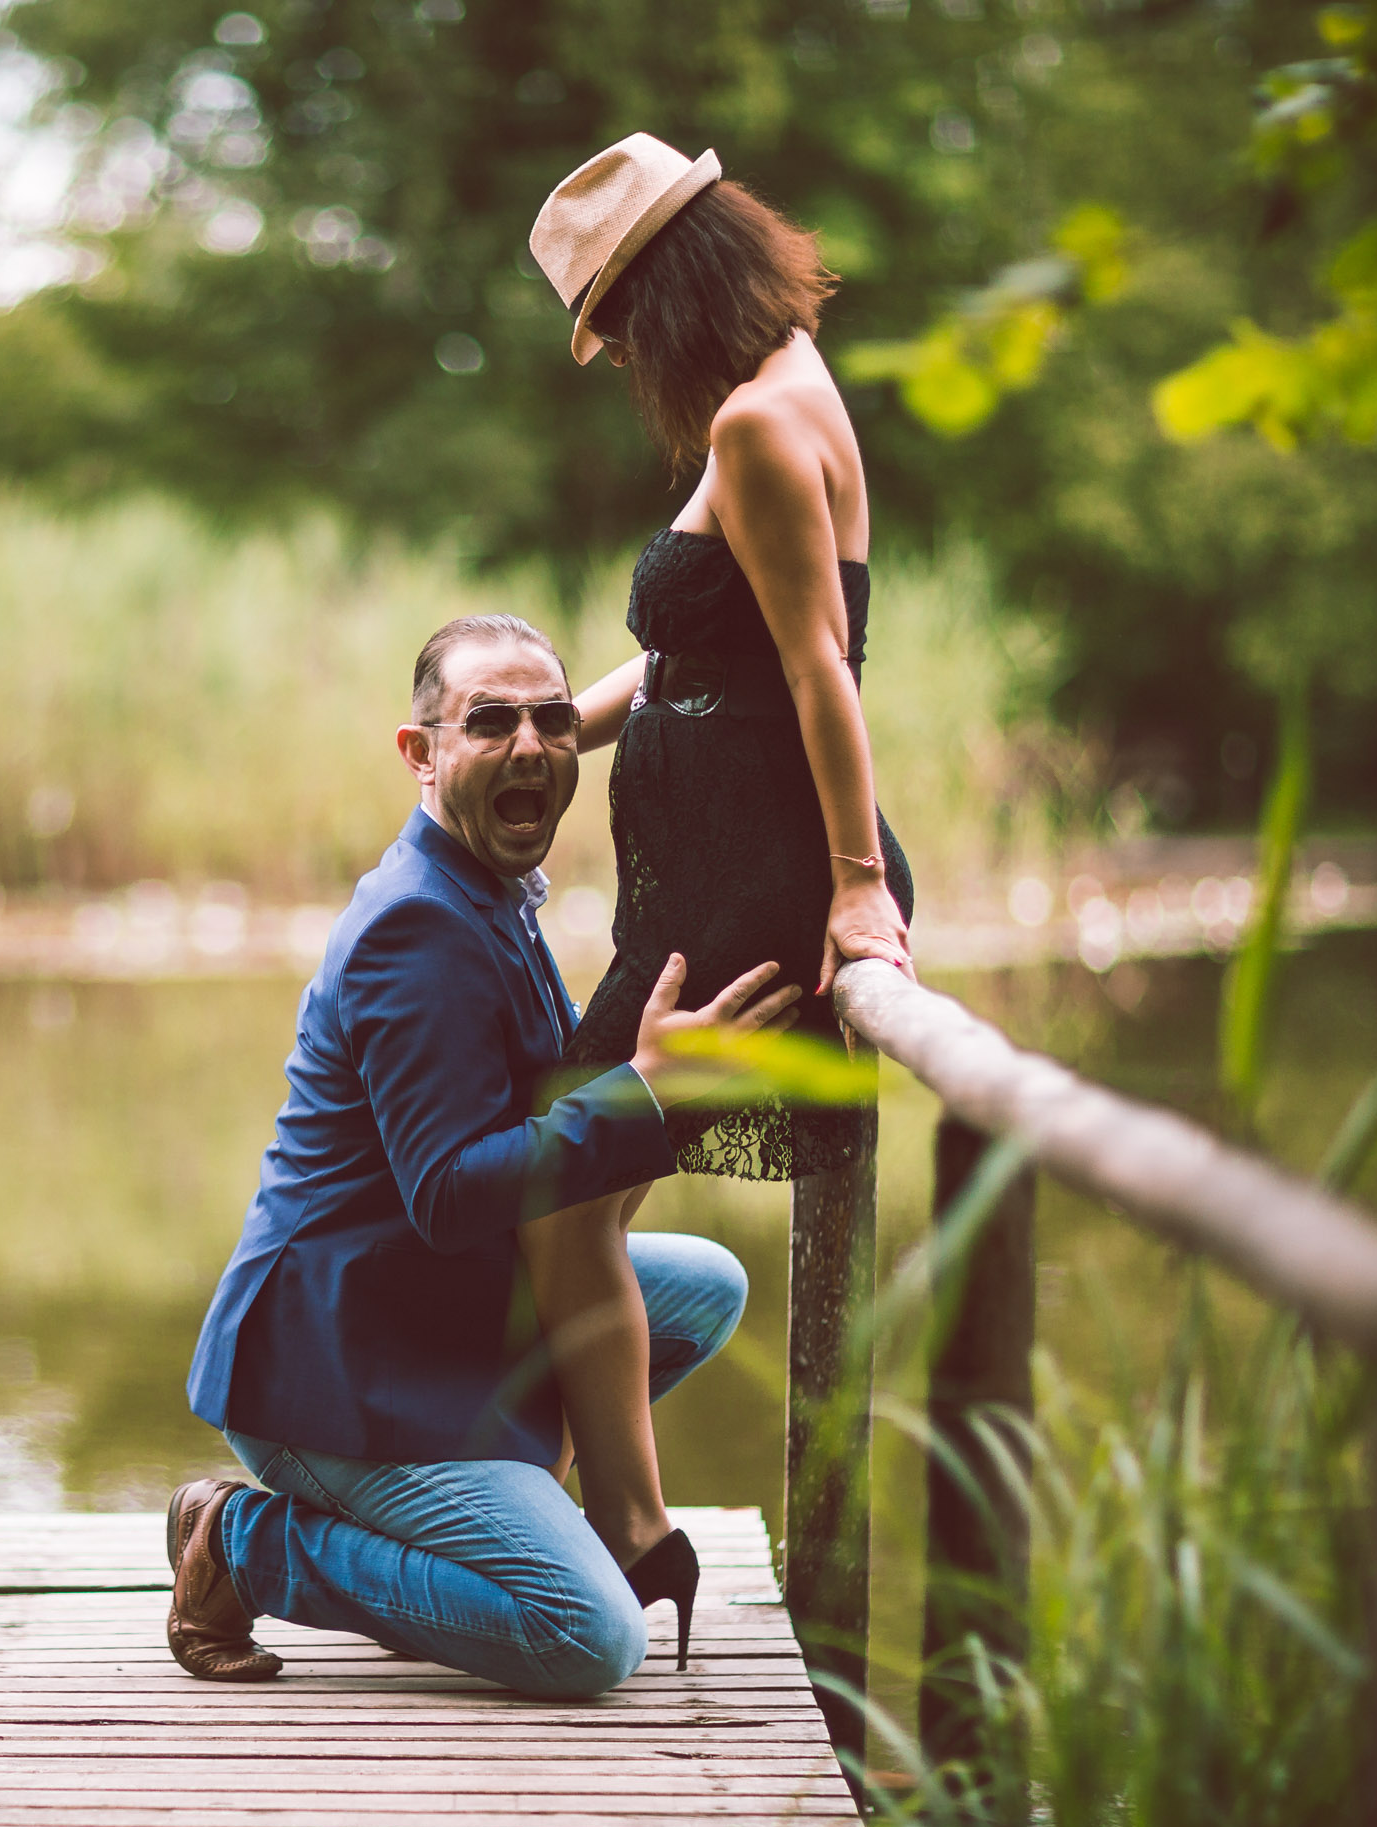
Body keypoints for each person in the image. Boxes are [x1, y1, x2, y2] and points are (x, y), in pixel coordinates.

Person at [167, 612, 804, 1698]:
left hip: (433, 1313)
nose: (529, 747)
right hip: (332, 1365)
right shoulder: (414, 928)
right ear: (422, 755)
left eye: (553, 723)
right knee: (589, 1638)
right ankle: (245, 1543)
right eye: (491, 721)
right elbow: (453, 1198)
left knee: (703, 1288)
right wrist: (644, 1092)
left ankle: (483, 1512)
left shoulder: (485, 889)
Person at [514, 135, 917, 1586]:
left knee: (561, 1190)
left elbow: (820, 670)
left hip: (750, 889)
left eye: (620, 324)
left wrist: (857, 883)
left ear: (666, 291)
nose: (623, 356)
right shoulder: (784, 387)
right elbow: (697, 658)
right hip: (701, 884)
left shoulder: (757, 423)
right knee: (571, 1199)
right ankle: (601, 1522)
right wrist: (557, 732)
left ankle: (615, 1531)